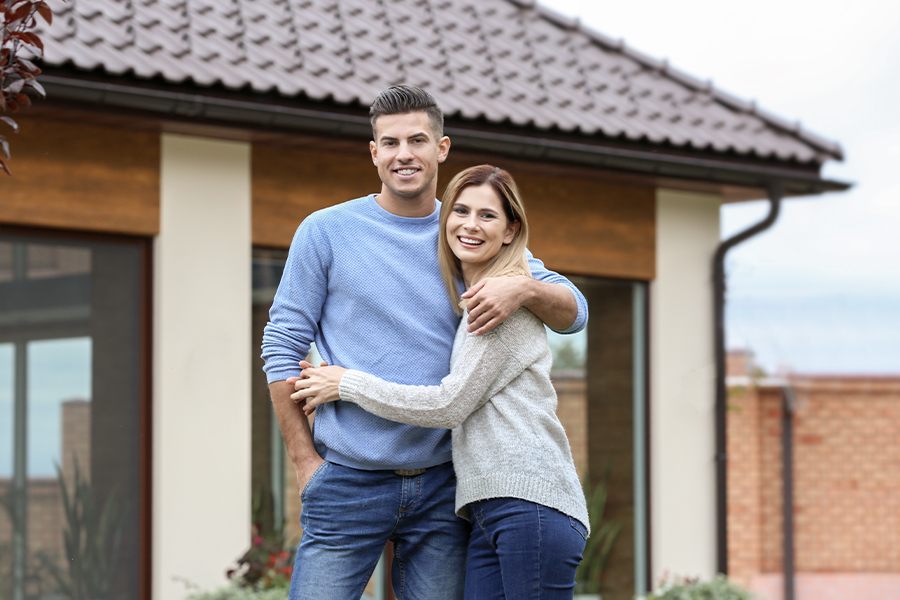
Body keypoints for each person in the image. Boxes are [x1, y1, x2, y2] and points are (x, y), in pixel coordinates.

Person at [261, 85, 588, 600]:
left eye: (418, 140)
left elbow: (574, 312)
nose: (404, 154)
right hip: (348, 477)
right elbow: (281, 344)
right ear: (374, 153)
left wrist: (523, 286)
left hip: (444, 485)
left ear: (442, 148)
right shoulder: (326, 232)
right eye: (390, 143)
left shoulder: (466, 232)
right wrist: (305, 461)